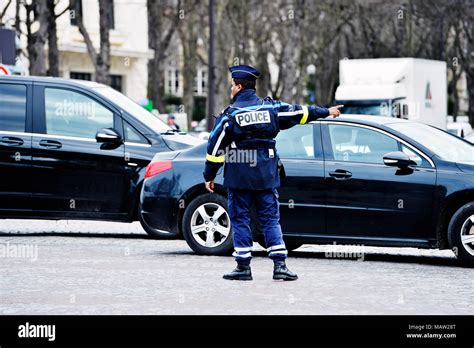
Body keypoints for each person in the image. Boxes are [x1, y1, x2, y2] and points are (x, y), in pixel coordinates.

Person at [203, 65, 342, 281]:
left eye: (232, 85)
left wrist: (209, 175)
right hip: (265, 173)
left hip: (239, 174)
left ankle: (243, 267)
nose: (231, 89)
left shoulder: (230, 115)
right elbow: (300, 112)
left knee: (240, 219)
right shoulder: (272, 109)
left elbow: (214, 148)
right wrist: (327, 111)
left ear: (239, 87)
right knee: (270, 219)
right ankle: (280, 266)